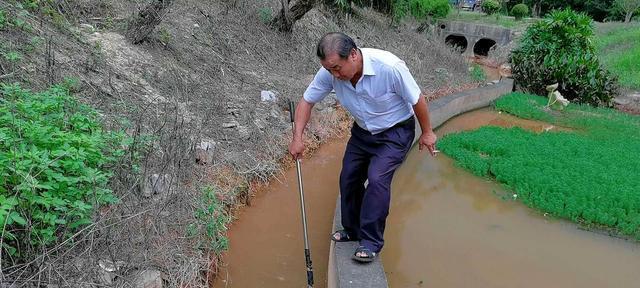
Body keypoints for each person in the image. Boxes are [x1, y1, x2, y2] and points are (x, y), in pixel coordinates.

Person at [288, 32, 437, 263]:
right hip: (362, 132)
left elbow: (417, 99)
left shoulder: (389, 67)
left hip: (395, 132)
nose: (334, 75)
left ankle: (370, 242)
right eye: (330, 70)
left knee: (377, 179)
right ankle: (352, 229)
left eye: (337, 68)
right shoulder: (330, 73)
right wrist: (298, 137)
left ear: (354, 55)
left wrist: (427, 133)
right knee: (349, 177)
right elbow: (307, 101)